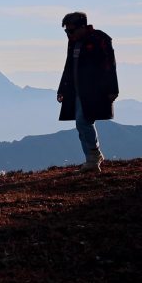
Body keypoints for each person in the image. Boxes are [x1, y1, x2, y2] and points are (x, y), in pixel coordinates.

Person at [57, 12, 119, 172]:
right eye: (67, 31)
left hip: (94, 90)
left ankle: (94, 156)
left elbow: (110, 65)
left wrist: (112, 89)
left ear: (83, 27)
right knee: (82, 123)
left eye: (71, 31)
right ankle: (92, 157)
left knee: (83, 121)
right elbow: (68, 66)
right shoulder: (73, 42)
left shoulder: (100, 39)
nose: (69, 34)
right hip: (77, 90)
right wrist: (62, 88)